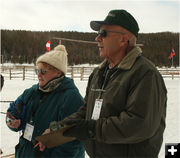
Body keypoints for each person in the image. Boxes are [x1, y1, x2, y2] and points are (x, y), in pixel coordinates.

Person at [42, 9, 167, 157]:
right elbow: (86, 111)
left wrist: (90, 129)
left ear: (123, 39)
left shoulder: (145, 74)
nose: (97, 38)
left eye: (103, 33)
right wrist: (58, 129)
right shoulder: (98, 74)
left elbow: (138, 124)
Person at [6, 45, 85, 157]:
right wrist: (13, 121)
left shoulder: (71, 98)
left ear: (58, 72)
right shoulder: (31, 92)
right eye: (37, 70)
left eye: (43, 71)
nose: (38, 75)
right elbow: (12, 111)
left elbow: (72, 145)